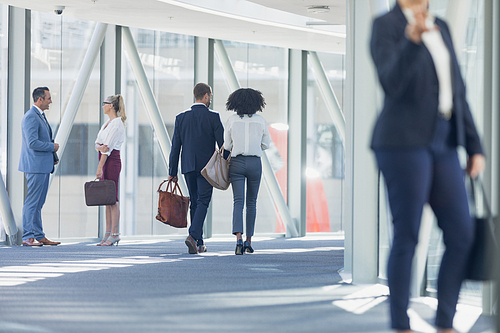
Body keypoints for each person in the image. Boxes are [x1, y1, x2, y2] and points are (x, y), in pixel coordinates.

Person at [370, 1, 485, 332]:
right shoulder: (386, 26)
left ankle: (446, 322)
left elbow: (457, 90)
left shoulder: (443, 26)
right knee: (407, 234)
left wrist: (474, 146)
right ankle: (400, 324)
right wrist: (412, 40)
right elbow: (391, 84)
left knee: (462, 233)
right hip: (402, 142)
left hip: (445, 140)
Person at [168, 83, 224, 254]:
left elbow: (175, 147)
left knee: (194, 201)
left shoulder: (181, 118)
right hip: (207, 168)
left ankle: (199, 242)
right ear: (206, 96)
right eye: (211, 97)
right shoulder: (213, 117)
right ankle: (192, 236)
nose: (210, 100)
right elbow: (222, 145)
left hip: (188, 167)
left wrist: (172, 172)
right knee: (203, 201)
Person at [224, 88, 270, 255]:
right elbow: (266, 144)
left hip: (236, 163)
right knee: (252, 203)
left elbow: (227, 146)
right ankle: (249, 241)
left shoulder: (232, 120)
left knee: (238, 202)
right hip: (255, 163)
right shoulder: (261, 121)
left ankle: (238, 240)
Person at [19, 87, 61, 246]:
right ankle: (28, 237)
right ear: (40, 99)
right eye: (48, 98)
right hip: (35, 166)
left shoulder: (39, 116)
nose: (51, 101)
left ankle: (39, 234)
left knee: (38, 203)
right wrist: (52, 148)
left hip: (43, 166)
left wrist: (53, 156)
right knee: (32, 202)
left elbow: (44, 139)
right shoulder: (31, 117)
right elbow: (32, 143)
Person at [95, 94, 126, 246]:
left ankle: (115, 234)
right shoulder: (107, 123)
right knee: (107, 200)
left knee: (113, 199)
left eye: (104, 103)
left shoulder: (117, 124)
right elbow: (98, 144)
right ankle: (107, 233)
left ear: (111, 106)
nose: (103, 106)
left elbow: (107, 149)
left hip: (111, 162)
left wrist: (100, 167)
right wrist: (100, 147)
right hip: (105, 159)